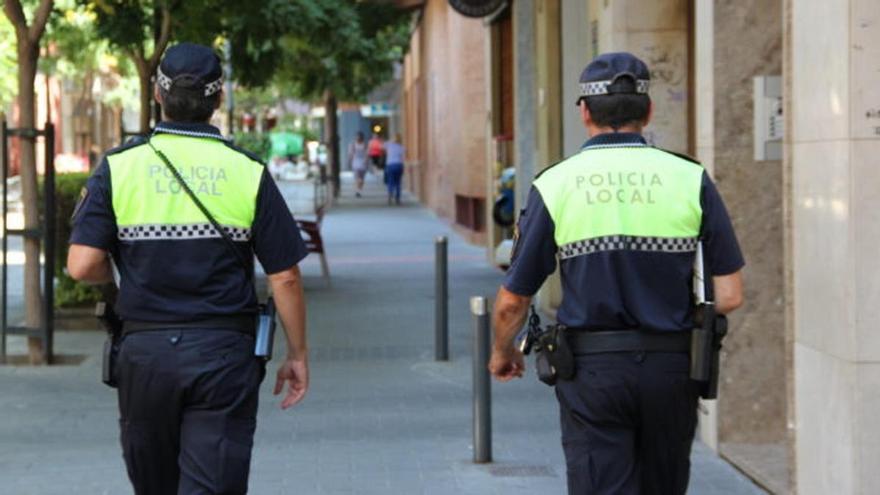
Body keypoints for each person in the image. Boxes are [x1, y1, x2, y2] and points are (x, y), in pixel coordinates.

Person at [488, 52, 745, 495]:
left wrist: (502, 352)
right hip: (672, 368)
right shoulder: (689, 178)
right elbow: (729, 294)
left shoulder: (556, 184)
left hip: (593, 373)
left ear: (585, 112)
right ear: (647, 111)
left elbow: (514, 299)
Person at [66, 42, 310, 495]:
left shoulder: (119, 168)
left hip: (145, 354)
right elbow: (285, 276)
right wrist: (297, 355)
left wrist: (120, 282)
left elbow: (82, 265)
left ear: (157, 95)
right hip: (223, 354)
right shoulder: (246, 171)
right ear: (218, 100)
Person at [383, 133, 405, 205]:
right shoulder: (401, 147)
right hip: (399, 165)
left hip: (390, 165)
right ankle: (397, 199)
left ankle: (389, 196)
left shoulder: (389, 145)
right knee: (398, 183)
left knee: (390, 182)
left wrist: (390, 141)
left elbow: (382, 146)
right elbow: (403, 158)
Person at [348, 131, 368, 197]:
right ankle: (358, 191)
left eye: (359, 137)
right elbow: (350, 153)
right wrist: (350, 162)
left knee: (361, 179)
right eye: (357, 137)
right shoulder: (353, 144)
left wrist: (366, 160)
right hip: (355, 162)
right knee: (357, 178)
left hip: (363, 162)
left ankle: (359, 190)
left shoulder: (365, 144)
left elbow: (367, 153)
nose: (358, 138)